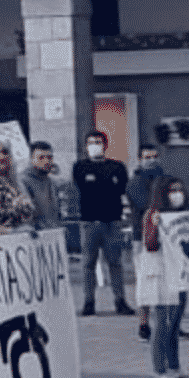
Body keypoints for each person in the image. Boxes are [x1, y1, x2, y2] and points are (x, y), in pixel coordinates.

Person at [140, 176, 189, 378]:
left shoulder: (179, 215)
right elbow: (149, 244)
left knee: (175, 324)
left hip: (179, 273)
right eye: (172, 190)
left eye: (180, 189)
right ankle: (160, 371)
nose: (178, 194)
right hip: (162, 274)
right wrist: (156, 227)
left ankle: (175, 368)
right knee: (163, 324)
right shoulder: (153, 214)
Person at [73, 130, 134, 316]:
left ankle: (120, 300)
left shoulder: (117, 166)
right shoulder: (80, 166)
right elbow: (83, 188)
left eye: (98, 142)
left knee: (115, 263)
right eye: (91, 142)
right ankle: (89, 301)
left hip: (112, 221)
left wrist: (100, 184)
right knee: (88, 263)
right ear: (85, 146)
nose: (95, 145)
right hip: (89, 222)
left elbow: (121, 188)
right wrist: (106, 186)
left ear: (105, 145)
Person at [127, 143, 166, 341]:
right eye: (147, 157)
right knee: (145, 281)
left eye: (154, 156)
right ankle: (144, 324)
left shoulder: (165, 178)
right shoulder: (135, 182)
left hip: (165, 236)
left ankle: (168, 323)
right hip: (143, 237)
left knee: (167, 281)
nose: (151, 160)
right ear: (140, 159)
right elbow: (147, 205)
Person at [19, 141, 60, 232]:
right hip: (35, 236)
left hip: (54, 233)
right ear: (31, 159)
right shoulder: (22, 181)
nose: (46, 161)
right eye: (41, 158)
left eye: (49, 157)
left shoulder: (52, 182)